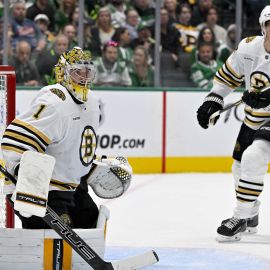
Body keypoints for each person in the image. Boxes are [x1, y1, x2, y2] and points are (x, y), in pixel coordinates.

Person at [1, 47, 100, 229]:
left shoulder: (92, 101)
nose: (84, 77)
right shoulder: (54, 101)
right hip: (43, 188)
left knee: (90, 217)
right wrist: (25, 180)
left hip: (72, 185)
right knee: (58, 235)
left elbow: (72, 146)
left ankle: (72, 259)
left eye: (87, 71)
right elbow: (15, 140)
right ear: (63, 73)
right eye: (78, 72)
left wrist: (93, 167)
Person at [196, 5, 270, 242]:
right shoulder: (248, 48)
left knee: (253, 157)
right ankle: (251, 212)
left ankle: (239, 217)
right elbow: (227, 79)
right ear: (263, 27)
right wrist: (213, 100)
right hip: (252, 118)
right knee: (239, 166)